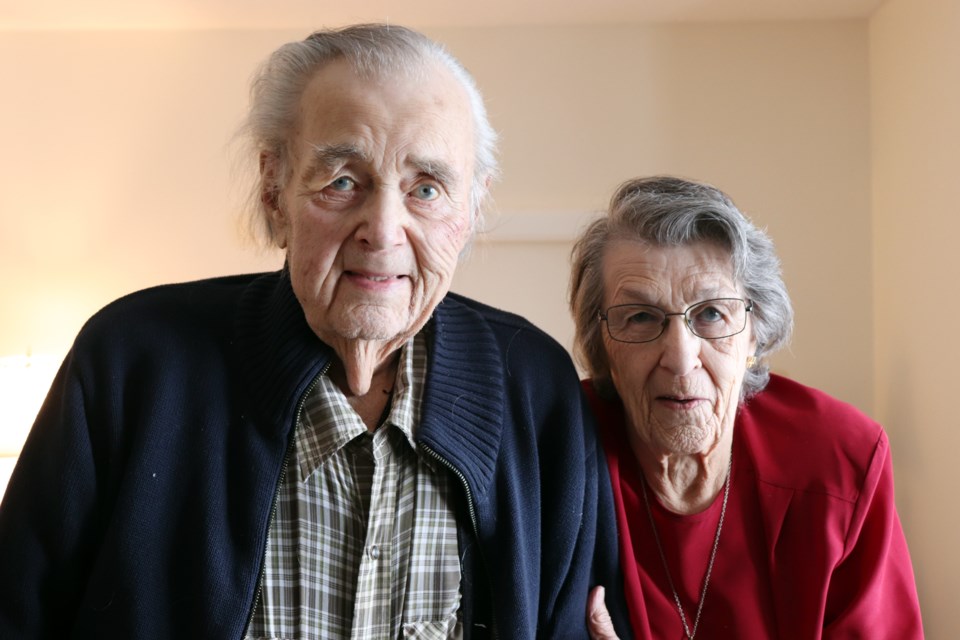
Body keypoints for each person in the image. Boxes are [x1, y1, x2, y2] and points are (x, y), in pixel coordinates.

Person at [0, 25, 630, 639]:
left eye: (427, 188)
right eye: (343, 182)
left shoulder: (536, 389)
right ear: (275, 191)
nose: (382, 230)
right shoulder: (130, 362)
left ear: (468, 209)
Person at [574, 176, 923, 639]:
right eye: (640, 317)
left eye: (712, 314)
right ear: (603, 346)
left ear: (754, 333)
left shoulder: (839, 462)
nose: (680, 359)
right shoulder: (550, 452)